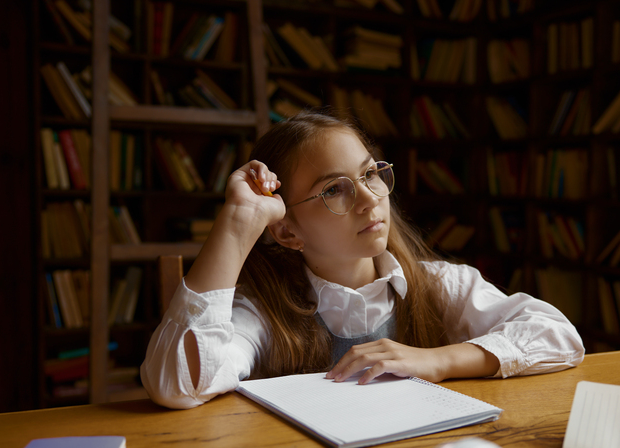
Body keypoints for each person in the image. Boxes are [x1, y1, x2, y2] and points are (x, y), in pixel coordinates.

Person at [141, 110, 584, 410]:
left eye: (370, 173)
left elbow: (558, 335)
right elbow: (178, 384)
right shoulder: (264, 313)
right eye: (335, 189)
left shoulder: (438, 284)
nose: (370, 198)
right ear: (287, 230)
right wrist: (239, 222)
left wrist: (438, 361)